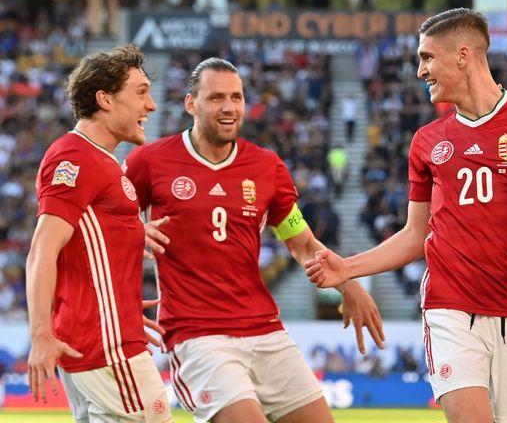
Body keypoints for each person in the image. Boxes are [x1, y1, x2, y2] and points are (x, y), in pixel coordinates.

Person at [305, 8, 507, 423]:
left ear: (463, 56)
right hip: (451, 308)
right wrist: (348, 268)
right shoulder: (427, 141)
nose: (420, 70)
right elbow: (416, 235)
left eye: (427, 57)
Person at [124, 57, 385, 423]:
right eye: (216, 98)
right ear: (190, 103)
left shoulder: (266, 166)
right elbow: (103, 216)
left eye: (237, 97)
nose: (229, 107)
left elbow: (301, 242)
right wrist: (132, 235)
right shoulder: (150, 162)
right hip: (197, 334)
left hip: (265, 330)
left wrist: (348, 284)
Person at [26, 44, 172, 422]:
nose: (151, 105)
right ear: (105, 99)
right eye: (140, 92)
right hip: (107, 349)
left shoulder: (100, 161)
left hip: (105, 339)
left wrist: (118, 302)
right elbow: (43, 249)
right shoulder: (75, 159)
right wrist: (40, 332)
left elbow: (85, 243)